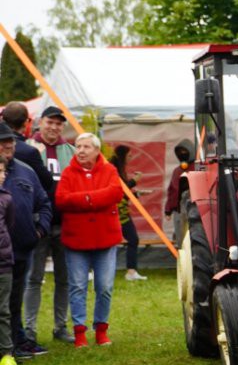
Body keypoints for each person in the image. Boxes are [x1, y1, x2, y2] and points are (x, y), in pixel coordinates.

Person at [55, 132, 123, 348]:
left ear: (96, 150)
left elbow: (115, 193)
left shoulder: (110, 170)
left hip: (105, 239)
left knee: (104, 286)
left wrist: (83, 199)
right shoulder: (68, 173)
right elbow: (61, 200)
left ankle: (101, 329)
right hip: (76, 240)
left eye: (86, 147)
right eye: (78, 146)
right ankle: (80, 332)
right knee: (77, 286)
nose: (81, 150)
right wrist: (94, 198)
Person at [10, 105, 70, 347]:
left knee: (64, 279)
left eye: (58, 123)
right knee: (33, 279)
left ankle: (60, 326)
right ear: (39, 123)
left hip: (64, 224)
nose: (54, 127)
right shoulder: (29, 150)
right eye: (50, 122)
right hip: (38, 224)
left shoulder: (70, 151)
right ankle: (31, 328)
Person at [0, 123, 52, 360]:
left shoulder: (26, 171)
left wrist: (39, 230)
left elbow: (44, 203)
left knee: (13, 301)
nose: (8, 145)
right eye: (3, 142)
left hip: (20, 250)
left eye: (10, 140)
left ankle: (12, 345)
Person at [109, 146, 147, 281]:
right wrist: (135, 180)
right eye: (129, 155)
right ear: (122, 155)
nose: (131, 157)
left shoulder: (119, 168)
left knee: (132, 239)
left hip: (122, 212)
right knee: (112, 241)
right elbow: (121, 188)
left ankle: (131, 271)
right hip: (116, 212)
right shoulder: (112, 169)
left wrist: (136, 193)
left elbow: (123, 192)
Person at [0, 159, 16, 365]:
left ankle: (6, 353)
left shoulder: (6, 198)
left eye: (2, 171)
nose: (2, 174)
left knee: (3, 310)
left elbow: (9, 225)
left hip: (3, 263)